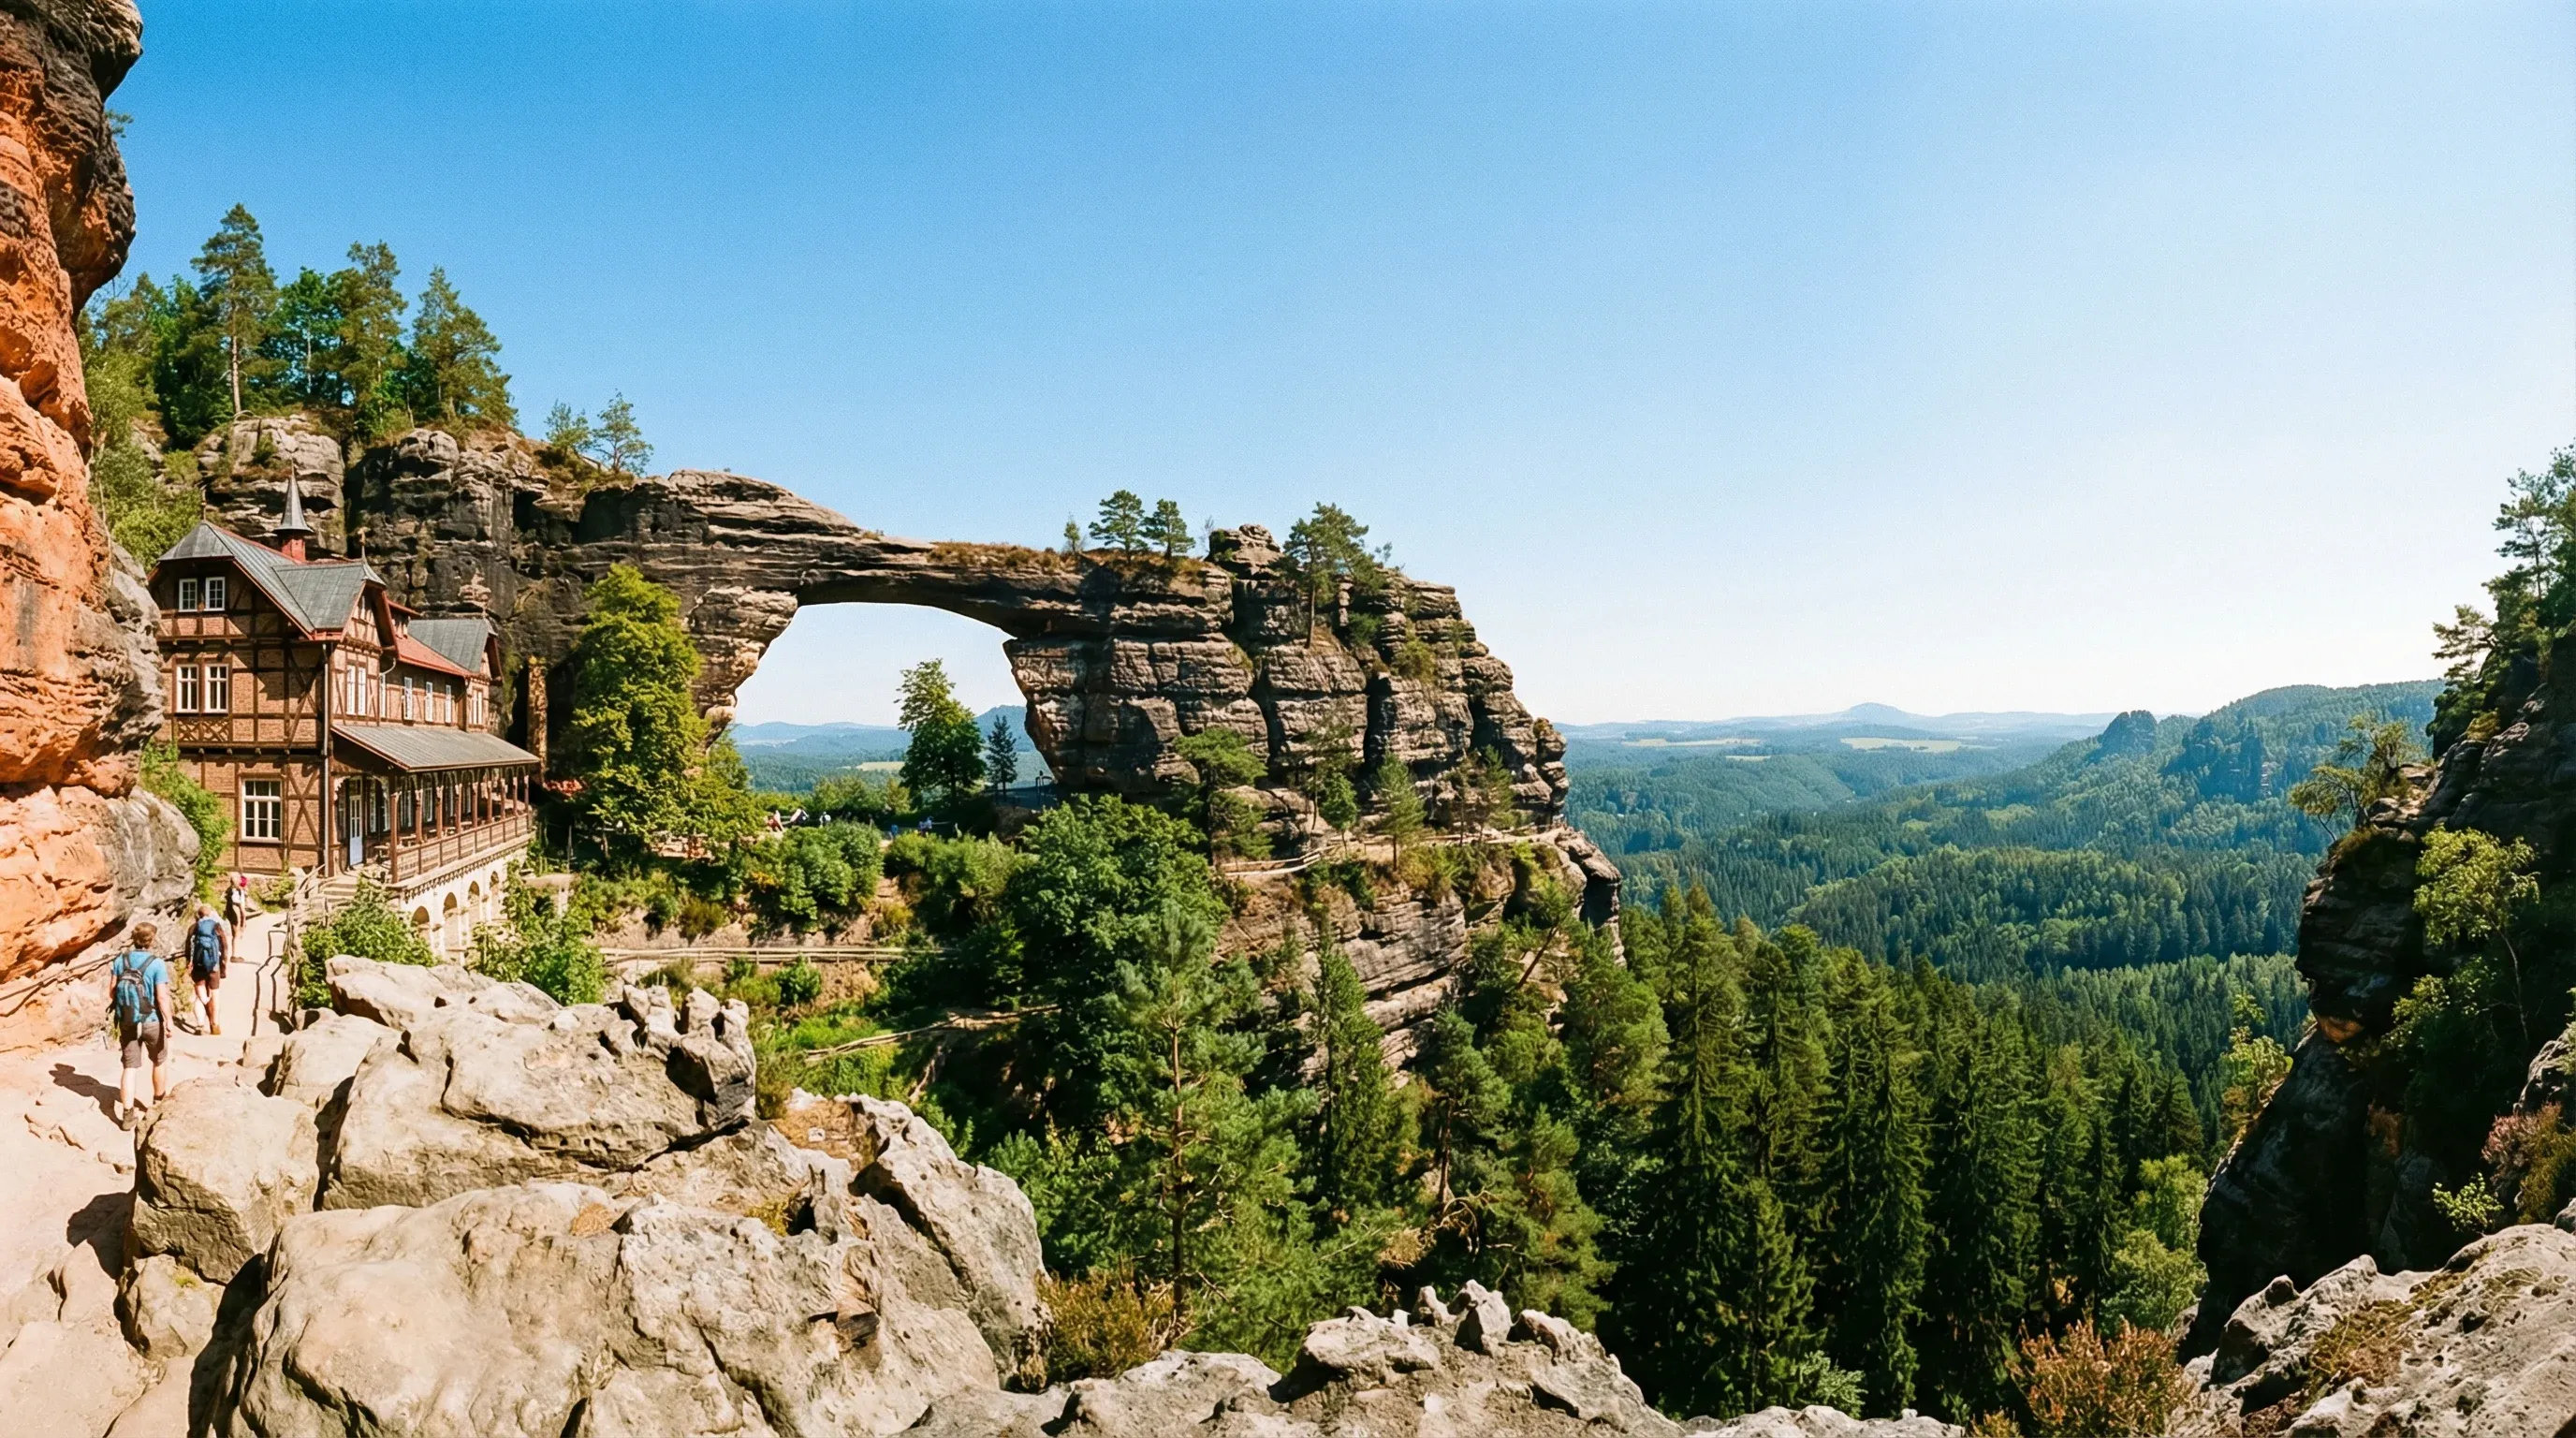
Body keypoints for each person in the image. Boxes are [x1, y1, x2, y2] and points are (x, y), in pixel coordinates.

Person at [109, 922, 173, 1129]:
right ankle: (158, 1103)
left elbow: (112, 991)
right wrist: (169, 1021)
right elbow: (162, 997)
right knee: (159, 1060)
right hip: (151, 1020)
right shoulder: (156, 964)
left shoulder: (120, 960)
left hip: (128, 1021)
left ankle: (127, 1115)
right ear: (151, 940)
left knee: (129, 1067)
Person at [183, 902, 230, 1035]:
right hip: (214, 965)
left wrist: (189, 962)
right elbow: (224, 945)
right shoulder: (216, 927)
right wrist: (224, 963)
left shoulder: (193, 928)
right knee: (216, 995)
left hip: (198, 965)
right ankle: (215, 1024)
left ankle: (199, 1025)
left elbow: (188, 948)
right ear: (210, 914)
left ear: (198, 915)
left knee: (199, 995)